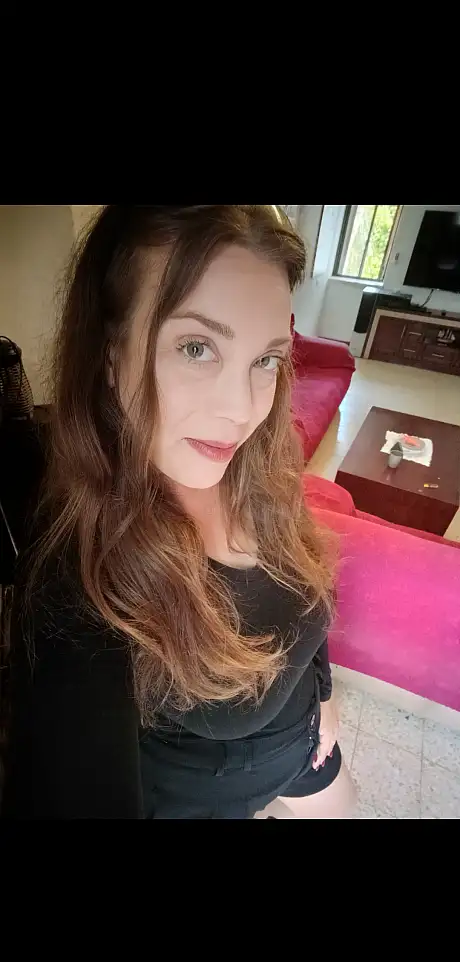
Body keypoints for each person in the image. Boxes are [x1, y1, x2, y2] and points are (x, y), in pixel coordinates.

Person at [1, 205, 356, 819]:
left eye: (266, 359)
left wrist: (323, 696)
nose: (241, 410)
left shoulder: (260, 472)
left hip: (306, 748)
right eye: (197, 347)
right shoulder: (77, 590)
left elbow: (304, 590)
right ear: (110, 354)